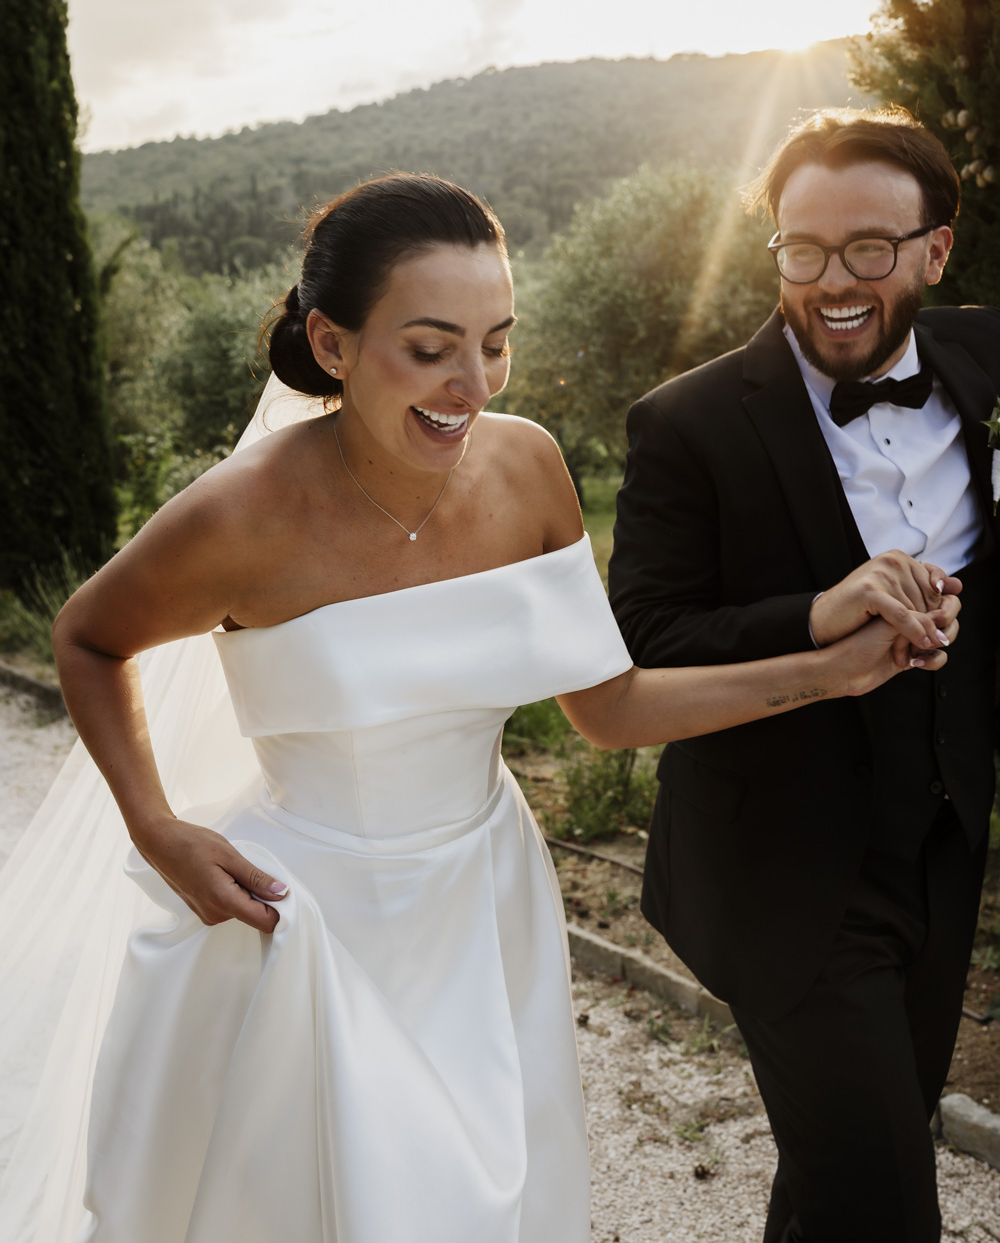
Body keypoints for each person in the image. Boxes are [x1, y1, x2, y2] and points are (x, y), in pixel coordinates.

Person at [17, 173, 952, 1243]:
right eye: (429, 348)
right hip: (306, 917)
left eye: (496, 342)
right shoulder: (241, 515)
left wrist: (826, 669)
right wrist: (158, 826)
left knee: (488, 1198)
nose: (471, 383)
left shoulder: (526, 467)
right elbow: (88, 637)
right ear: (331, 345)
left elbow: (606, 705)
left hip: (483, 898)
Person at [609, 109, 998, 1243]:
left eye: (868, 249)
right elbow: (642, 638)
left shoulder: (984, 359)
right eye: (801, 249)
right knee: (882, 1198)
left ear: (933, 250)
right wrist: (819, 615)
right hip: (782, 870)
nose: (831, 280)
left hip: (939, 853)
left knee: (845, 1172)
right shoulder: (686, 425)